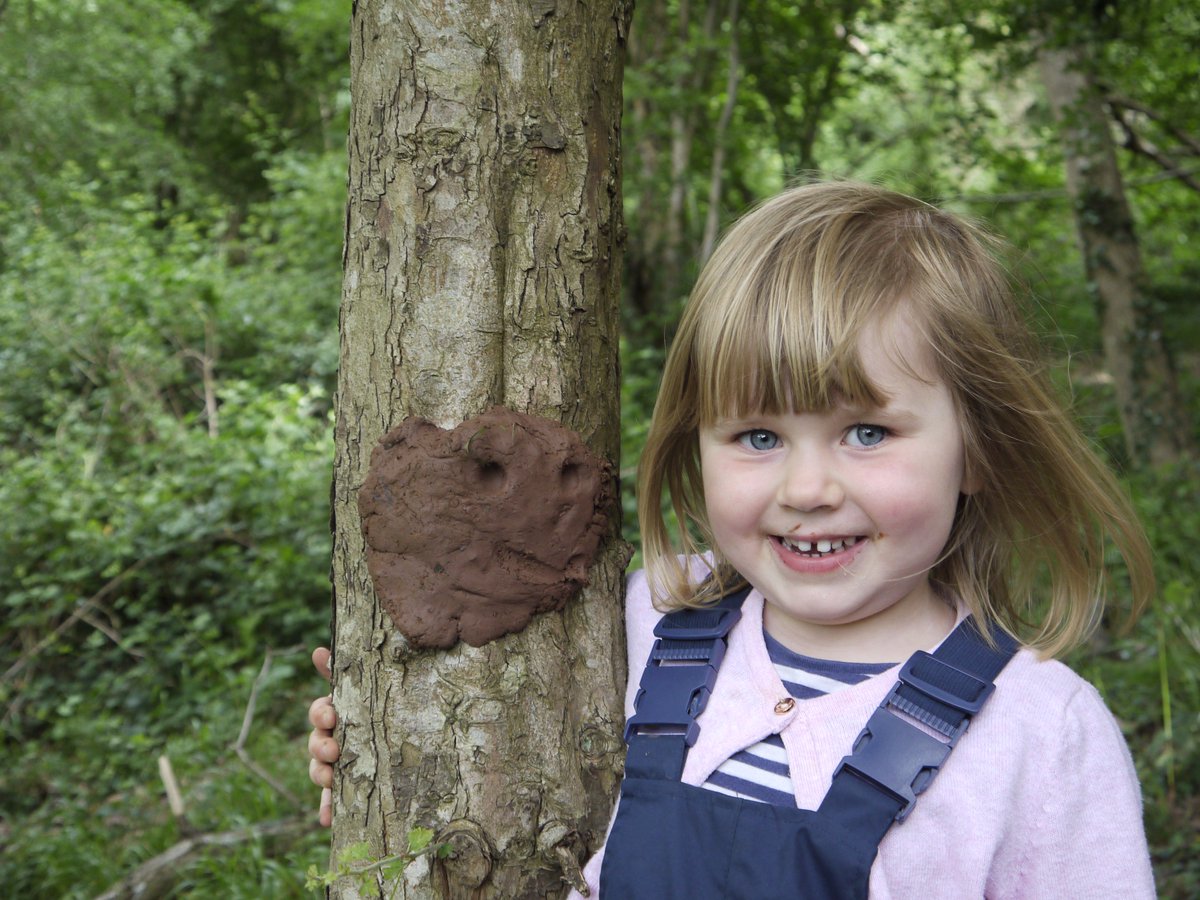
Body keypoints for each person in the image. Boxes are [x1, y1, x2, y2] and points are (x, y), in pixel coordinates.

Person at [308, 181, 1157, 897]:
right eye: (757, 437)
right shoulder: (643, 620)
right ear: (697, 444)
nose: (808, 490)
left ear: (975, 448)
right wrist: (380, 745)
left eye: (867, 433)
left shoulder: (1042, 735)